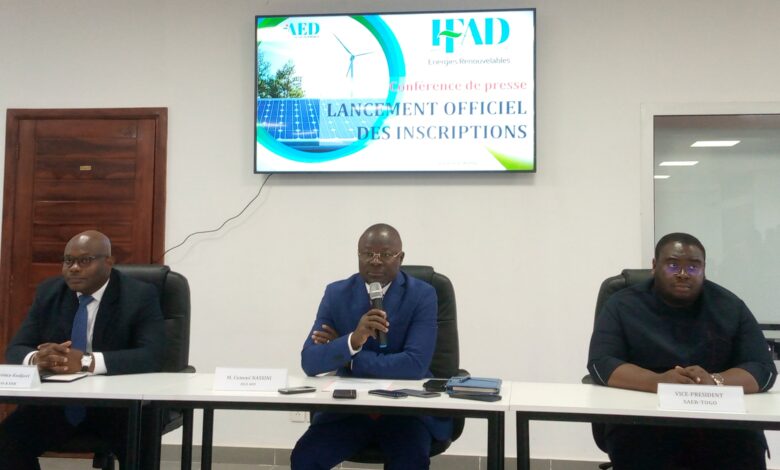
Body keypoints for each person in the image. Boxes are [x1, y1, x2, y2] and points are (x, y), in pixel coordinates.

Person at [587, 232, 777, 470]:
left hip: (719, 420)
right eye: (673, 265)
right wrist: (658, 382)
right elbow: (601, 362)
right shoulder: (622, 304)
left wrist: (716, 382)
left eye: (694, 267)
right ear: (654, 266)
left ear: (704, 269)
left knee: (744, 447)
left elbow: (763, 369)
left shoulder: (730, 306)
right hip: (644, 420)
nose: (683, 274)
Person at [290, 223, 452, 470]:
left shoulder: (422, 294)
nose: (375, 261)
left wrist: (350, 358)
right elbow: (310, 361)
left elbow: (414, 365)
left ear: (400, 258)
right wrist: (353, 340)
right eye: (368, 254)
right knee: (304, 459)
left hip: (405, 412)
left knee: (410, 462)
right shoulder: (336, 294)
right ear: (358, 255)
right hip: (349, 410)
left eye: (385, 254)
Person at [0, 230, 165, 469]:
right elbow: (16, 348)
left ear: (109, 261)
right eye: (68, 261)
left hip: (119, 407)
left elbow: (152, 355)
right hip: (57, 405)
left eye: (84, 260)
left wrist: (87, 362)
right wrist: (37, 358)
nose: (74, 268)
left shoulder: (139, 295)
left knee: (141, 440)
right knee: (7, 440)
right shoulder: (50, 292)